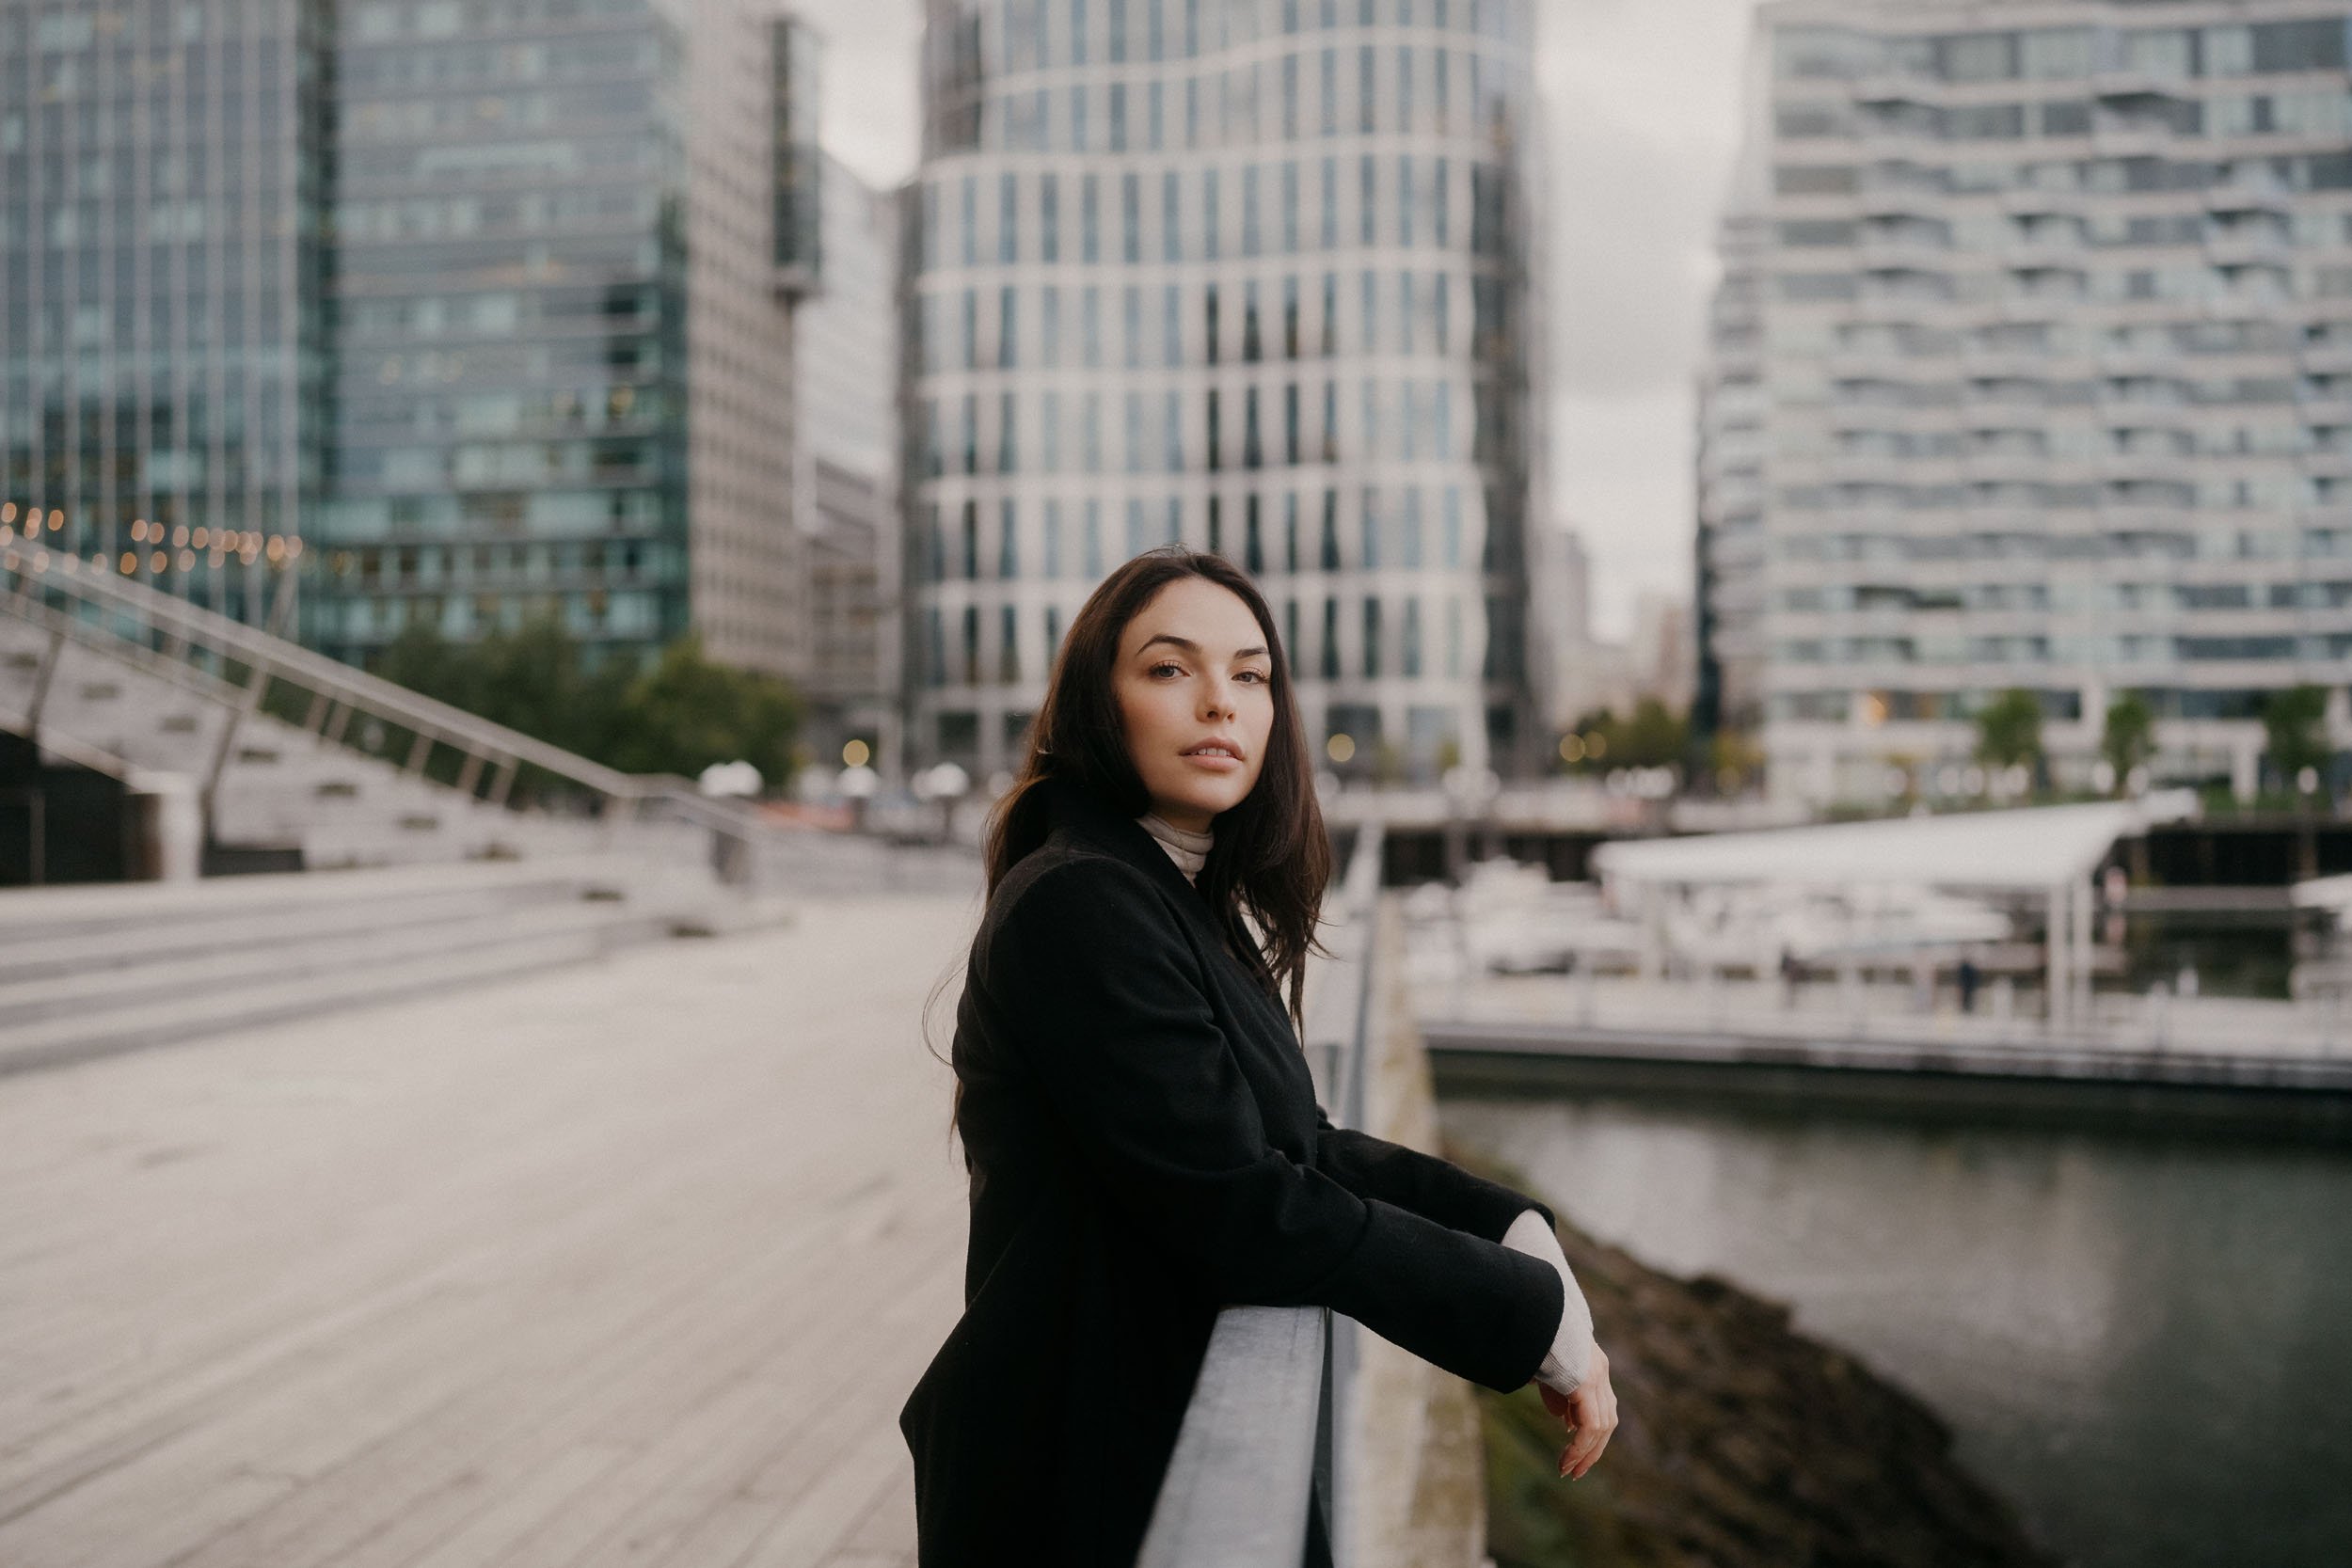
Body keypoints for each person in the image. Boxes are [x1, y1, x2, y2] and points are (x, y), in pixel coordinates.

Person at [898, 547, 1618, 1566]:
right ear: (1096, 702)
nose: (1217, 703)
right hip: (1084, 1475)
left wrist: (1513, 1226)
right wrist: (1523, 1315)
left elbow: (1301, 1144)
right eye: (1167, 668)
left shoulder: (1170, 892)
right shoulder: (1083, 900)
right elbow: (1239, 1199)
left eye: (1248, 674)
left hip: (1150, 1440)